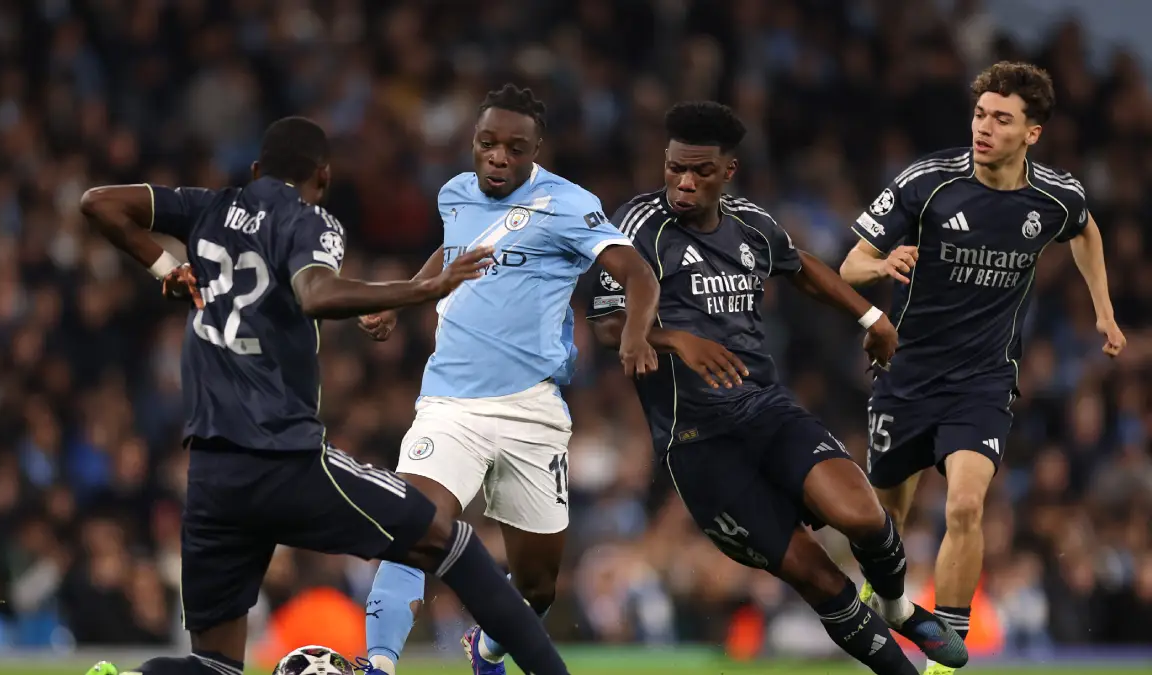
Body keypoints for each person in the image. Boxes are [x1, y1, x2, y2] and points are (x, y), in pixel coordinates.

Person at [78, 116, 572, 675]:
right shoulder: (310, 222)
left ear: (258, 171)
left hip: (212, 476)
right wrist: (422, 287)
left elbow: (98, 203)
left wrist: (166, 266)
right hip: (285, 459)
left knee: (215, 665)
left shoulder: (208, 207)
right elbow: (315, 293)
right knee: (450, 542)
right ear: (323, 177)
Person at [587, 101, 969, 675]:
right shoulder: (638, 227)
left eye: (700, 172)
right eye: (674, 169)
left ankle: (895, 607)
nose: (684, 184)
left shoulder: (749, 221)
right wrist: (674, 341)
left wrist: (871, 318)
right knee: (821, 578)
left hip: (767, 411)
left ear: (728, 171)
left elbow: (801, 265)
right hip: (698, 442)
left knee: (865, 517)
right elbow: (609, 322)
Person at [358, 84, 660, 675]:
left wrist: (636, 332)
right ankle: (378, 665)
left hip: (533, 411)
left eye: (514, 148)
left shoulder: (570, 205)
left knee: (540, 588)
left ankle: (487, 648)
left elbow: (637, 272)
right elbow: (452, 253)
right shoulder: (454, 194)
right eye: (487, 144)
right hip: (450, 405)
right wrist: (402, 299)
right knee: (412, 527)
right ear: (473, 141)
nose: (498, 157)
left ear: (535, 151)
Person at [839, 61, 1126, 675]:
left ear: (1032, 133)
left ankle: (945, 655)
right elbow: (848, 269)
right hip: (906, 374)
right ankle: (881, 599)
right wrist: (885, 261)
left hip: (984, 381)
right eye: (979, 114)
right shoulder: (927, 182)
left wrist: (1104, 311)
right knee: (885, 516)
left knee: (967, 506)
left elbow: (1085, 230)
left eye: (1002, 119)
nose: (984, 128)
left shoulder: (1054, 195)